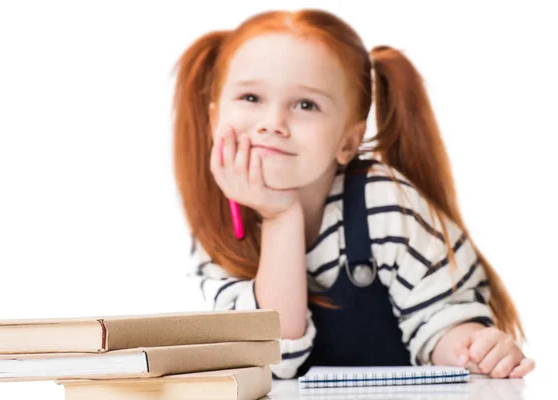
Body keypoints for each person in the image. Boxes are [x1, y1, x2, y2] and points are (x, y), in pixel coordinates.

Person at [170, 8, 535, 380]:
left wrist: (470, 347)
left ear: (348, 140)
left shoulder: (384, 203)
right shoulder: (218, 227)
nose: (273, 123)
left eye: (305, 105)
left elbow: (439, 319)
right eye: (251, 97)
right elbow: (274, 358)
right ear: (215, 121)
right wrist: (281, 216)